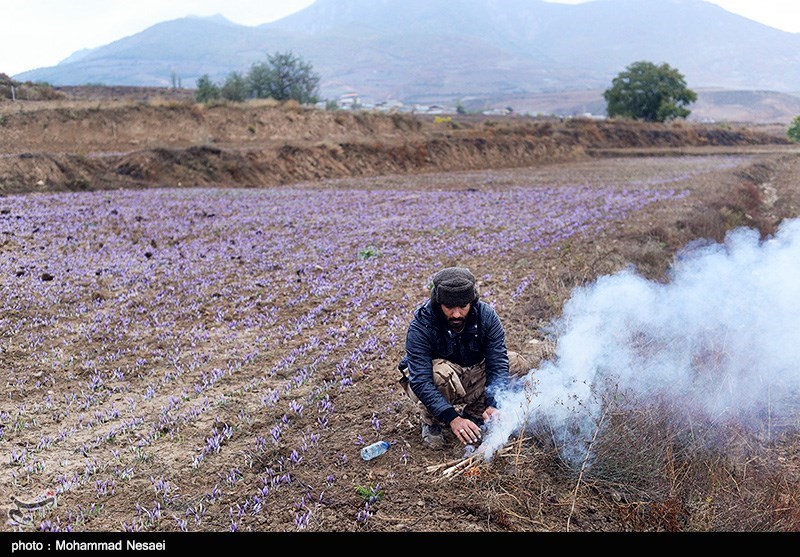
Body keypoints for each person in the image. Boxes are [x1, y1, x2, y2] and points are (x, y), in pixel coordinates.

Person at [398, 266, 531, 449]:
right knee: (439, 374)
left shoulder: (486, 316)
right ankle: (433, 420)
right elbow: (421, 380)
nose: (457, 314)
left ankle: (476, 412)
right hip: (440, 380)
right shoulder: (422, 324)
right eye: (449, 307)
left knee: (516, 363)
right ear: (438, 303)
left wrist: (494, 403)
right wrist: (452, 418)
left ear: (472, 301)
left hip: (471, 373)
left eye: (463, 306)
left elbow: (497, 362)